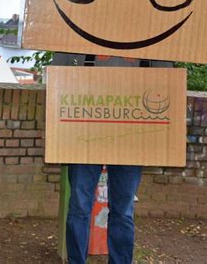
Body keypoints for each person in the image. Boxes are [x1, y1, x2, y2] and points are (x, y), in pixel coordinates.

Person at [52, 53, 172, 264]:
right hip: (84, 131)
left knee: (123, 210)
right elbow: (58, 76)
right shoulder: (78, 30)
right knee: (79, 206)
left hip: (131, 134)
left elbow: (168, 80)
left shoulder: (152, 38)